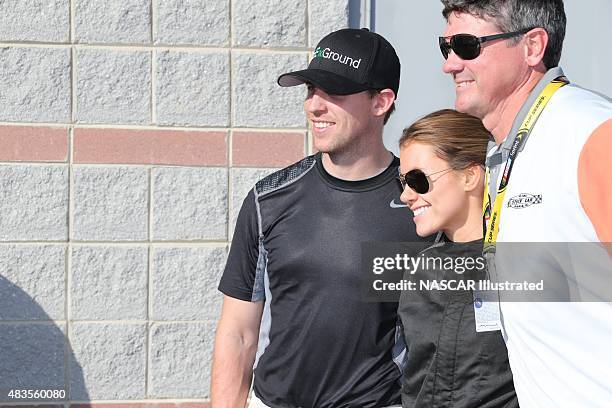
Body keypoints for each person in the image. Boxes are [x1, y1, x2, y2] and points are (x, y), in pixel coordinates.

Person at [211, 28, 427, 408]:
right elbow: (238, 333)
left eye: (334, 92)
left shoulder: (419, 203)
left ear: (381, 102)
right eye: (311, 89)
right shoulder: (269, 198)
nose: (314, 105)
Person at [439, 0, 612, 406]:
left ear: (533, 46)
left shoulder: (591, 133)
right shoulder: (505, 149)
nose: (450, 64)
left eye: (466, 45)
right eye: (444, 47)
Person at [397, 109, 517, 407]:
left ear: (470, 175)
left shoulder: (521, 263)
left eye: (418, 179)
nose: (406, 195)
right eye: (403, 182)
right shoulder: (421, 271)